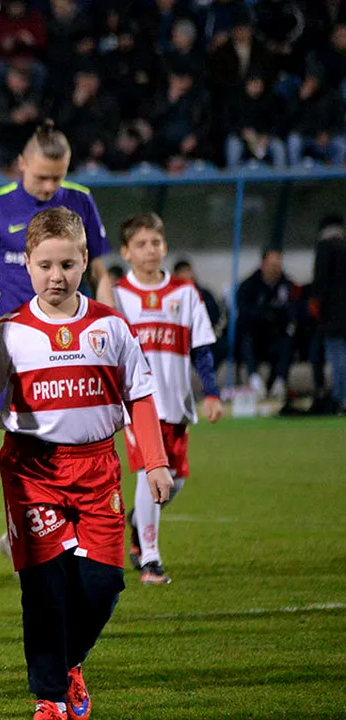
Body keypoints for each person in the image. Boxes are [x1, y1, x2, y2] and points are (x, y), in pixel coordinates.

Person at [0, 207, 174, 720]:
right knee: (45, 588)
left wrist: (153, 462)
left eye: (67, 264)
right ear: (26, 264)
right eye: (45, 265)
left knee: (102, 583)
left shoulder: (111, 327)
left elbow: (142, 396)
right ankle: (49, 698)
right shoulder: (10, 333)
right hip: (31, 471)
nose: (56, 276)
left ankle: (70, 664)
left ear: (86, 261)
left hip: (96, 468)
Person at [114, 213, 223, 585]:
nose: (150, 251)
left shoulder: (184, 293)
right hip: (138, 407)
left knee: (173, 483)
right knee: (149, 477)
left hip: (176, 406)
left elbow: (202, 347)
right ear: (126, 251)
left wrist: (211, 392)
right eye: (141, 244)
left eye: (156, 243)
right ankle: (150, 559)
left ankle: (135, 522)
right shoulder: (117, 297)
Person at [0, 122, 114, 334]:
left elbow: (99, 273)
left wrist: (112, 326)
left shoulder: (81, 200)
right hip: (11, 329)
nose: (49, 186)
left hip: (70, 332)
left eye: (57, 177)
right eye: (41, 178)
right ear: (22, 164)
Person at [236, 249, 296, 399]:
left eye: (278, 265)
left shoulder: (287, 285)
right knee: (246, 339)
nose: (275, 268)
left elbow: (292, 312)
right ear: (263, 265)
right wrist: (265, 314)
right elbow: (244, 314)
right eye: (271, 264)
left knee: (287, 340)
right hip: (255, 338)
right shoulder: (248, 286)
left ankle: (279, 382)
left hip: (276, 338)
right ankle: (254, 380)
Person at [311, 215, 346, 412]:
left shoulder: (325, 247)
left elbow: (321, 281)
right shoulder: (343, 245)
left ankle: (340, 398)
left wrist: (316, 303)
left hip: (333, 313)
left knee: (337, 355)